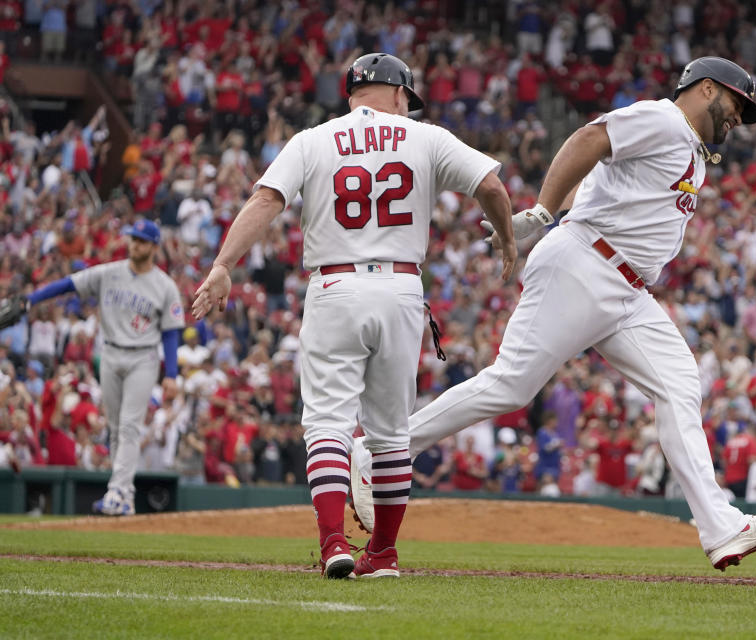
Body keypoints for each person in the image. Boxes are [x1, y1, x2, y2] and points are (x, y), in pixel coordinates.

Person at [352, 57, 756, 571]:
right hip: (586, 262)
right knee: (510, 386)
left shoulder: (693, 150)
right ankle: (379, 451)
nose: (740, 117)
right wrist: (544, 211)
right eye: (738, 103)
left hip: (628, 291)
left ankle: (720, 527)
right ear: (707, 89)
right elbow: (590, 138)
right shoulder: (664, 119)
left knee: (679, 384)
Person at [191, 52, 516, 579]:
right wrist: (504, 236)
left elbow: (265, 201)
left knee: (327, 424)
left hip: (336, 284)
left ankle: (334, 542)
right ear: (396, 93)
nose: (409, 107)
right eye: (407, 98)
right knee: (390, 434)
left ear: (351, 95)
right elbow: (493, 187)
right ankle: (383, 554)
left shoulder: (313, 139)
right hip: (402, 288)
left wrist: (223, 265)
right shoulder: (427, 138)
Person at [10, 219, 183, 514]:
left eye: (141, 241)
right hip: (110, 355)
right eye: (133, 239)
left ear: (154, 246)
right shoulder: (110, 273)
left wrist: (171, 374)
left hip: (143, 357)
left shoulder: (165, 286)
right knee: (116, 429)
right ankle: (124, 497)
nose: (134, 245)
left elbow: (170, 332)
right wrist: (31, 299)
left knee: (129, 426)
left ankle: (117, 491)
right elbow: (69, 284)